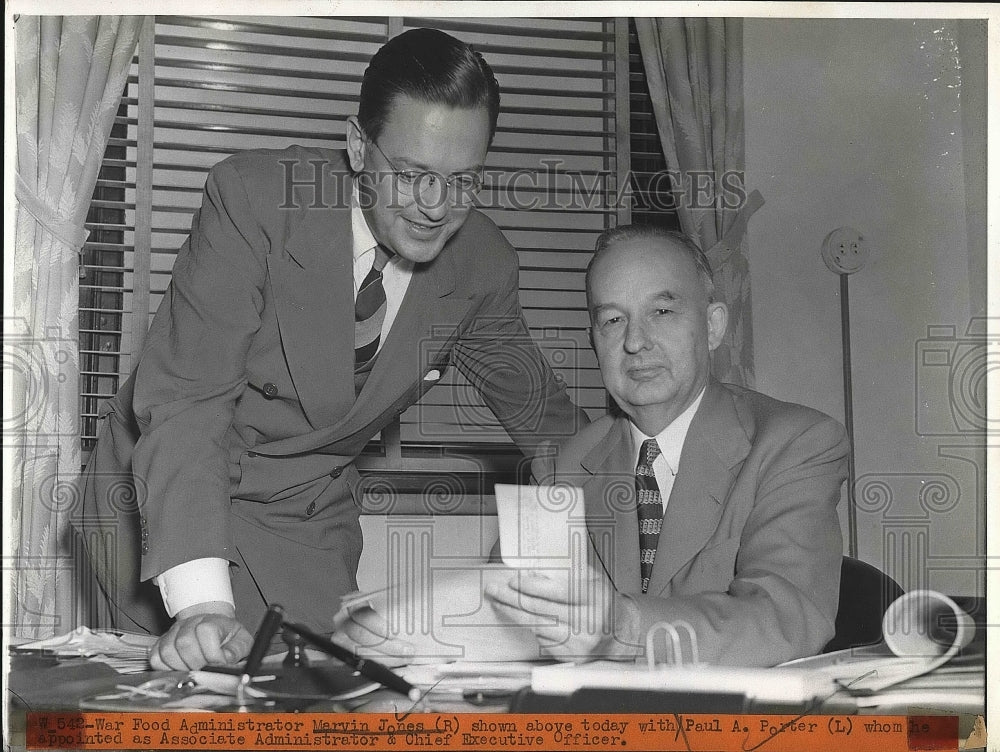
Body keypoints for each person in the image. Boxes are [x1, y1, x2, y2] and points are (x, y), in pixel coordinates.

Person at [75, 28, 587, 671]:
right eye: (412, 174)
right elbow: (187, 402)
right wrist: (202, 603)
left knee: (324, 699)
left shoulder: (480, 265)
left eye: (462, 181)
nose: (435, 208)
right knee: (171, 703)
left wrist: (654, 483)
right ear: (357, 145)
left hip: (304, 518)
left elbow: (546, 421)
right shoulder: (255, 200)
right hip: (162, 503)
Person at [485, 224, 849, 666]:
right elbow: (503, 622)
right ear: (594, 342)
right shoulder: (564, 465)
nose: (635, 343)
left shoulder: (795, 442)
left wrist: (626, 629)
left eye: (661, 312)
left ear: (713, 326)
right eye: (613, 320)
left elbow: (785, 618)